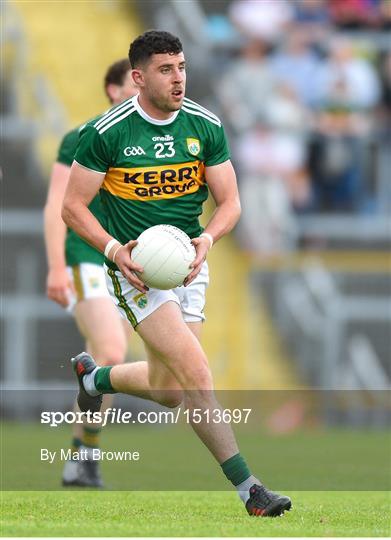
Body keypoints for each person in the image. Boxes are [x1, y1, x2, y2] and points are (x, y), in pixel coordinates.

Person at [62, 30, 291, 517]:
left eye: (182, 67)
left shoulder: (205, 126)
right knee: (197, 372)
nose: (179, 78)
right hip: (137, 272)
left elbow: (230, 203)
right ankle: (249, 489)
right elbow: (72, 207)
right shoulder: (107, 132)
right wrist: (112, 250)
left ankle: (95, 378)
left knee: (169, 391)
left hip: (188, 267)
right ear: (140, 77)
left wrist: (207, 238)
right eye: (166, 70)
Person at [44, 59, 138, 487]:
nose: (140, 92)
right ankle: (85, 459)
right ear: (112, 90)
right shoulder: (81, 136)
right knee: (113, 355)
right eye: (131, 84)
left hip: (125, 265)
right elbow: (56, 206)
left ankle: (82, 458)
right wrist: (56, 266)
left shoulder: (148, 143)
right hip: (86, 258)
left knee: (101, 363)